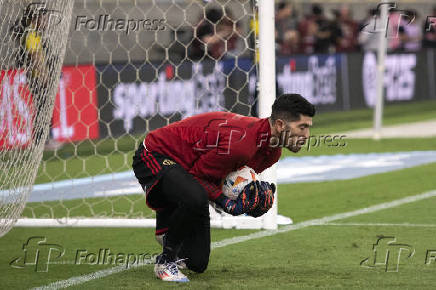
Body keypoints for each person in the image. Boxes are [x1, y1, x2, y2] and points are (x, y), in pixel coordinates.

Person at [132, 94, 315, 282]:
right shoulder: (242, 144)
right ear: (280, 125)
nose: (307, 136)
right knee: (196, 196)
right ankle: (165, 261)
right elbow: (198, 177)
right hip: (155, 153)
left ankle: (167, 227)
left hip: (186, 168)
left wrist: (246, 199)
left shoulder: (272, 153)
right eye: (302, 127)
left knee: (197, 263)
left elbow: (221, 179)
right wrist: (225, 202)